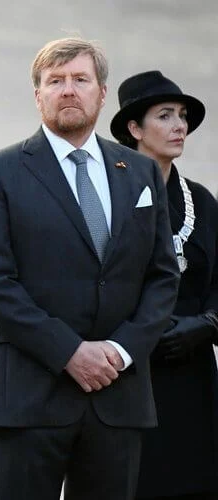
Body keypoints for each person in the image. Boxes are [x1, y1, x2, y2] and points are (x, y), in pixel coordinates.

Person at [0, 38, 180, 500]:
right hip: (27, 398)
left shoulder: (141, 173)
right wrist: (69, 352)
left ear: (102, 93)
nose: (68, 90)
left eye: (80, 80)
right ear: (38, 95)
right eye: (55, 81)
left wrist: (122, 351)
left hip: (118, 398)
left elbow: (163, 277)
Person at [110, 70, 218, 500]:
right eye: (165, 115)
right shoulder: (107, 198)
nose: (179, 126)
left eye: (183, 116)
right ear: (135, 129)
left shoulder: (202, 201)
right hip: (132, 373)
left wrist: (207, 324)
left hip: (193, 372)